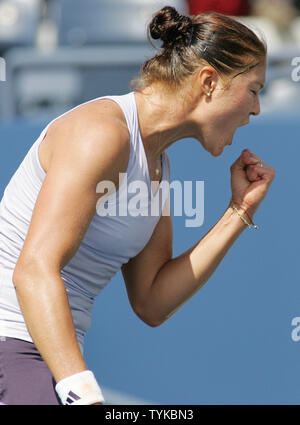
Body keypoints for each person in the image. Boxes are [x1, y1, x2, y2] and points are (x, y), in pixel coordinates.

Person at [0, 6, 275, 405]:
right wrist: (82, 393)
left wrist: (239, 211)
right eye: (253, 90)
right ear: (209, 82)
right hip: (12, 346)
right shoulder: (103, 135)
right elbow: (33, 269)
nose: (256, 109)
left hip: (42, 355)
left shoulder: (157, 163)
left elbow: (151, 300)